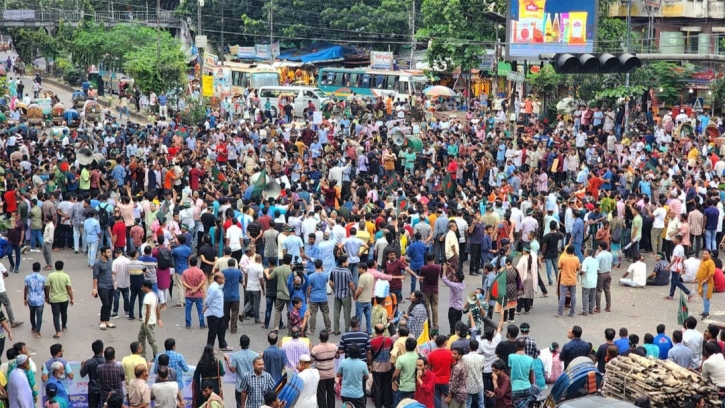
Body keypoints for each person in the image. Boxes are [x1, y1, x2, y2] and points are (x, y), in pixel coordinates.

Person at [44, 261, 74, 339]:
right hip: (64, 298)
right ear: (62, 266)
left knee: (56, 315)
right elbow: (69, 288)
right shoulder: (66, 276)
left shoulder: (50, 276)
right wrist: (72, 298)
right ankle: (64, 326)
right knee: (64, 313)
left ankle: (57, 331)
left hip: (54, 299)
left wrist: (47, 297)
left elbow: (47, 288)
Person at [310, 330, 338, 408]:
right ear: (328, 338)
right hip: (331, 374)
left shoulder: (315, 349)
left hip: (320, 375)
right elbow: (337, 356)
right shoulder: (334, 347)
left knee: (321, 394)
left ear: (319, 338)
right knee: (331, 394)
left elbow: (311, 361)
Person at [336, 343, 369, 408]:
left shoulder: (343, 362)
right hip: (358, 394)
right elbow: (367, 377)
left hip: (345, 393)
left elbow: (338, 374)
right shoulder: (363, 364)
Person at [204, 273, 230, 351]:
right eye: (222, 278)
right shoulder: (214, 288)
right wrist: (205, 306)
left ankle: (222, 345)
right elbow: (208, 299)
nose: (224, 279)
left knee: (222, 329)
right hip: (213, 312)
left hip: (219, 312)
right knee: (213, 331)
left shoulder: (219, 287)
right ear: (218, 279)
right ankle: (210, 347)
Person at [509, 338, 538, 408]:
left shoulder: (511, 357)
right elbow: (532, 376)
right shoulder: (530, 359)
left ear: (515, 345)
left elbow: (510, 373)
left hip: (514, 389)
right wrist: (533, 386)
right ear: (525, 346)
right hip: (527, 389)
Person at [93, 247, 115, 330]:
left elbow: (110, 273)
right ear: (103, 253)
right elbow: (95, 277)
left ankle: (107, 321)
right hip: (102, 286)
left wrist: (114, 283)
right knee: (105, 303)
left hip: (110, 285)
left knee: (109, 304)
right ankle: (102, 321)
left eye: (110, 252)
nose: (110, 253)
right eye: (108, 252)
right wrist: (94, 289)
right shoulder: (98, 263)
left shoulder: (110, 261)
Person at [139, 281, 162, 360]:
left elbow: (148, 312)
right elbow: (157, 308)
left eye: (143, 287)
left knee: (151, 340)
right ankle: (142, 356)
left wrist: (146, 323)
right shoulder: (154, 295)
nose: (142, 288)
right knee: (141, 337)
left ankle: (156, 356)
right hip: (148, 321)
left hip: (147, 322)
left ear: (147, 287)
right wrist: (159, 319)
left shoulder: (147, 297)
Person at [183, 257, 206, 329]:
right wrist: (196, 289)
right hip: (198, 294)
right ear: (196, 263)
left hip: (188, 294)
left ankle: (188, 323)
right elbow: (203, 281)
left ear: (189, 263)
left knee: (188, 309)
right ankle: (202, 323)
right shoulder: (200, 272)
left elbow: (183, 282)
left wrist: (190, 288)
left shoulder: (185, 272)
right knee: (200, 310)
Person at [80, 340, 105, 408]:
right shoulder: (106, 362)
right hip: (104, 389)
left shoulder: (88, 362)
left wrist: (83, 365)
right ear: (102, 350)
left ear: (93, 350)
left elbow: (82, 374)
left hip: (92, 389)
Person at [556, 246, 580, 317]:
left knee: (562, 296)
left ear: (566, 251)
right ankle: (572, 312)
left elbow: (559, 267)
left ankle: (560, 312)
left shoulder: (563, 258)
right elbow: (578, 268)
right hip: (573, 280)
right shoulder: (576, 259)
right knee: (573, 296)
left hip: (564, 280)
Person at [24, 262, 45, 338]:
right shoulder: (43, 278)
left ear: (33, 268)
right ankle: (38, 332)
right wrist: (46, 297)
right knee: (39, 316)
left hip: (31, 299)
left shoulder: (27, 277)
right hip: (39, 300)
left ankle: (33, 327)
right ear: (39, 269)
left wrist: (25, 298)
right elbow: (45, 288)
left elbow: (26, 288)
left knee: (32, 314)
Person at [696, 249, 715, 318]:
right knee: (703, 297)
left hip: (707, 283)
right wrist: (695, 279)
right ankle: (705, 311)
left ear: (709, 255)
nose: (704, 255)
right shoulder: (702, 261)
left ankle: (706, 312)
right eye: (703, 253)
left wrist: (705, 280)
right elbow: (699, 271)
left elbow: (711, 273)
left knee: (706, 298)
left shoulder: (711, 262)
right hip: (701, 282)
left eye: (706, 253)